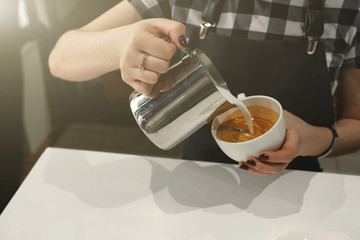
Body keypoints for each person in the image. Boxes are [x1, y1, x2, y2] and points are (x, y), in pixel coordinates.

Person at [49, 0, 360, 175]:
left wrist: (314, 138)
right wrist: (121, 42)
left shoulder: (346, 9)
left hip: (298, 184)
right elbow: (60, 58)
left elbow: (356, 122)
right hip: (197, 181)